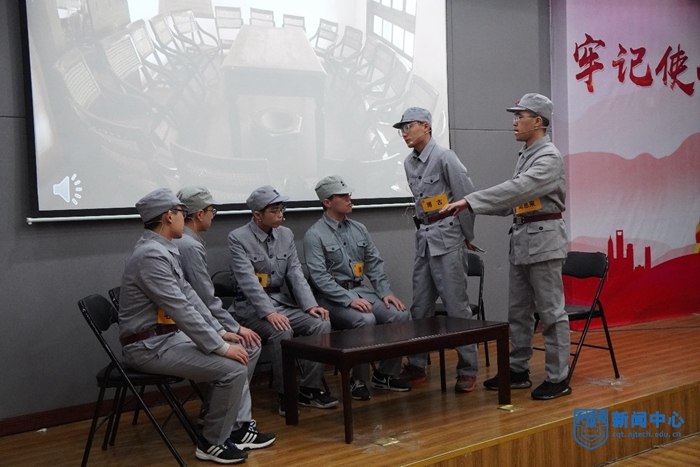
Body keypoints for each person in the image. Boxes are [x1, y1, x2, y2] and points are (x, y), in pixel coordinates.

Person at [119, 188, 268, 465]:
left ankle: (227, 426)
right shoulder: (150, 255)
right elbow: (180, 309)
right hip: (149, 347)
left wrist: (221, 332)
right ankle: (213, 442)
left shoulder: (164, 248)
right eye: (180, 212)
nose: (184, 217)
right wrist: (220, 346)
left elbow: (190, 297)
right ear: (168, 216)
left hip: (167, 339)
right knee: (233, 368)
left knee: (243, 349)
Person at [440, 93, 571, 400]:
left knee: (551, 313)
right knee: (519, 312)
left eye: (519, 116)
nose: (514, 122)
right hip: (524, 238)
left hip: (544, 241)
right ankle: (517, 370)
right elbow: (515, 201)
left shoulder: (549, 157)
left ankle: (558, 377)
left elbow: (519, 189)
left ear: (536, 121)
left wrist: (471, 201)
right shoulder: (527, 154)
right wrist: (471, 206)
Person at [173, 185, 275, 449]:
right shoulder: (189, 245)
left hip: (189, 321)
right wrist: (234, 328)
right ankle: (238, 426)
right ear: (199, 214)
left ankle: (215, 412)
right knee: (248, 347)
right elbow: (205, 298)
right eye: (211, 211)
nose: (213, 216)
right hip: (185, 326)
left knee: (245, 345)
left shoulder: (183, 241)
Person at [228, 186, 339, 416]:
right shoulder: (238, 238)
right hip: (250, 309)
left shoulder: (286, 235)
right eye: (274, 210)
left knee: (321, 322)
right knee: (282, 330)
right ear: (257, 215)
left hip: (282, 303)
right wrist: (269, 313)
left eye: (282, 209)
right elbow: (248, 281)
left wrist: (311, 305)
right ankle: (285, 392)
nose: (280, 215)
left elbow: (295, 273)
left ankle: (309, 388)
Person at [393, 107, 480, 393]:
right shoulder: (409, 163)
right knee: (420, 306)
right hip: (424, 237)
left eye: (409, 126)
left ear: (426, 126)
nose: (404, 133)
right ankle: (417, 365)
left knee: (456, 306)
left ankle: (467, 369)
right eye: (401, 129)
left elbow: (466, 197)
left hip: (448, 236)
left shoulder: (445, 157)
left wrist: (466, 235)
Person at [303, 175, 411, 401]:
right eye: (342, 196)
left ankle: (385, 374)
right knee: (365, 320)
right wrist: (348, 299)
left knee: (400, 314)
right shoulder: (314, 235)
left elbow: (374, 264)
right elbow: (319, 277)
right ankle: (358, 380)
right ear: (327, 202)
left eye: (349, 194)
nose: (349, 199)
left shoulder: (359, 229)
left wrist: (385, 292)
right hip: (332, 298)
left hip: (363, 291)